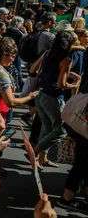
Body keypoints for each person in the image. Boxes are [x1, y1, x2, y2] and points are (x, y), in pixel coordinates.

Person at [31, 31, 80, 170]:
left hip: (40, 94)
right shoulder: (66, 60)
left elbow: (42, 70)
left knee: (46, 127)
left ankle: (42, 158)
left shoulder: (47, 53)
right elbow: (61, 84)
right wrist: (74, 85)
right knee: (60, 131)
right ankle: (34, 153)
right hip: (53, 97)